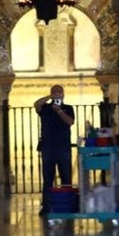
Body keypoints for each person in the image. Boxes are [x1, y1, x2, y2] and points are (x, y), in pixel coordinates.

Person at [35, 85, 75, 215]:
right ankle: (47, 206)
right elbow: (36, 104)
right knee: (48, 179)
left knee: (66, 178)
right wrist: (49, 97)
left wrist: (59, 111)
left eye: (59, 92)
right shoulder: (46, 108)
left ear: (63, 94)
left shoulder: (68, 108)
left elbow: (70, 122)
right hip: (48, 148)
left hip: (63, 147)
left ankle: (68, 204)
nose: (57, 94)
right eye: (54, 92)